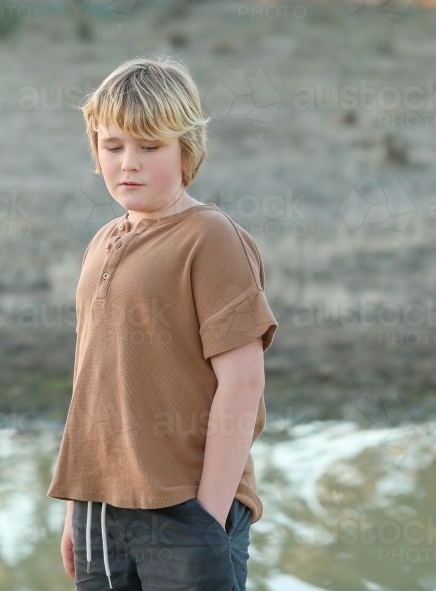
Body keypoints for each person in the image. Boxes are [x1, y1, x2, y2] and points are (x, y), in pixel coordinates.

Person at [46, 55, 279, 590]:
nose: (128, 162)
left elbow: (243, 384)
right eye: (113, 146)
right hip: (101, 510)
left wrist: (209, 515)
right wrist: (77, 506)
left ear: (186, 149)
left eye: (149, 147)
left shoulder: (211, 238)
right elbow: (91, 382)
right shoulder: (102, 241)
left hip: (186, 505)